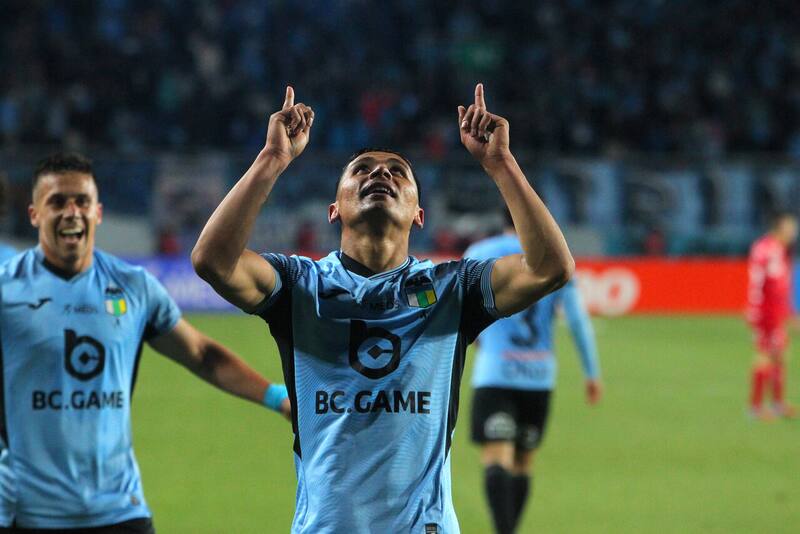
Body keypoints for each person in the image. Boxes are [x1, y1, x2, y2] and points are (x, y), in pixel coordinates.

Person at [192, 83, 574, 533]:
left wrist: (501, 164)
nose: (381, 174)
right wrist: (271, 160)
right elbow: (212, 261)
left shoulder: (453, 289)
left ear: (419, 214)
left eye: (398, 171)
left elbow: (551, 268)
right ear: (334, 210)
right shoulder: (300, 286)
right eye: (362, 170)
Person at [0, 153, 291, 532]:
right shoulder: (6, 291)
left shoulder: (133, 287)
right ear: (35, 214)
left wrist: (276, 397)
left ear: (98, 212)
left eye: (82, 202)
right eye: (57, 202)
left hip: (118, 510)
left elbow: (201, 353)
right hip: (25, 513)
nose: (72, 212)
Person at [465, 212, 603, 534]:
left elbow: (462, 310)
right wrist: (591, 373)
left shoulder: (480, 253)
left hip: (495, 373)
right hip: (539, 376)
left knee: (496, 457)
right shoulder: (555, 256)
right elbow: (578, 321)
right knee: (523, 462)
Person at [746, 211, 798, 420]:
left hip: (776, 310)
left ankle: (777, 404)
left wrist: (789, 311)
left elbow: (781, 286)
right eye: (790, 227)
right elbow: (757, 282)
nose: (793, 232)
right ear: (779, 227)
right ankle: (756, 408)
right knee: (765, 355)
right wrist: (754, 309)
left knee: (779, 355)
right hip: (766, 311)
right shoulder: (765, 249)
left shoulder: (780, 249)